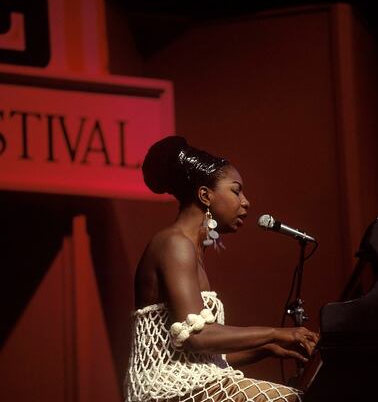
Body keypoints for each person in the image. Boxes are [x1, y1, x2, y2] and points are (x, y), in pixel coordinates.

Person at [124, 136, 319, 402]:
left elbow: (205, 354)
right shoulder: (174, 243)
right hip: (167, 389)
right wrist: (277, 332)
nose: (246, 202)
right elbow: (198, 336)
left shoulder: (189, 247)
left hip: (191, 383)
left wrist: (269, 347)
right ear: (205, 195)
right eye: (236, 191)